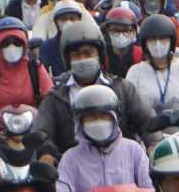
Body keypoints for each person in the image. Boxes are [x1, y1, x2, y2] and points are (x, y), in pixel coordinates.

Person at [35, 19, 155, 160]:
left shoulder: (122, 89)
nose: (82, 58)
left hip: (123, 166)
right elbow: (41, 131)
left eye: (88, 53)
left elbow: (148, 122)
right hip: (74, 171)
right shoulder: (56, 98)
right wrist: (46, 153)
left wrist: (154, 145)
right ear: (67, 59)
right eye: (76, 55)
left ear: (100, 55)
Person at [123, 13, 179, 116]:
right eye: (152, 40)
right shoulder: (135, 71)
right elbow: (129, 107)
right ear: (145, 44)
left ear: (171, 41)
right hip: (149, 128)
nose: (158, 44)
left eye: (163, 39)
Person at [100, 5, 142, 80]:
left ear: (134, 32)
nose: (120, 35)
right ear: (107, 32)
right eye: (115, 31)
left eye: (126, 31)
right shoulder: (102, 57)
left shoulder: (141, 55)